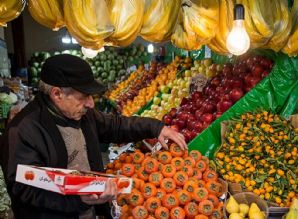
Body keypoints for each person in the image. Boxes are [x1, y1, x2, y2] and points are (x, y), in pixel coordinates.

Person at [0, 54, 187, 219]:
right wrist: (78, 199)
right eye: (84, 96)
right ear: (57, 94)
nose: (90, 103)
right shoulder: (23, 130)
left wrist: (156, 127)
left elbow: (115, 125)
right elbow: (23, 188)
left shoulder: (82, 113)